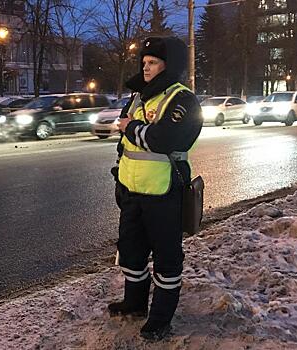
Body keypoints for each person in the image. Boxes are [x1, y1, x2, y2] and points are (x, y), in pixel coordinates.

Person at [108, 36, 203, 340]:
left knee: (166, 259)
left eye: (153, 63)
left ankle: (160, 318)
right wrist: (120, 181)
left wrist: (131, 128)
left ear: (168, 66)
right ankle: (135, 304)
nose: (146, 68)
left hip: (164, 193)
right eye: (144, 63)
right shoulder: (139, 96)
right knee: (132, 254)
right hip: (132, 192)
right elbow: (125, 143)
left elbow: (166, 140)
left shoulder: (182, 99)